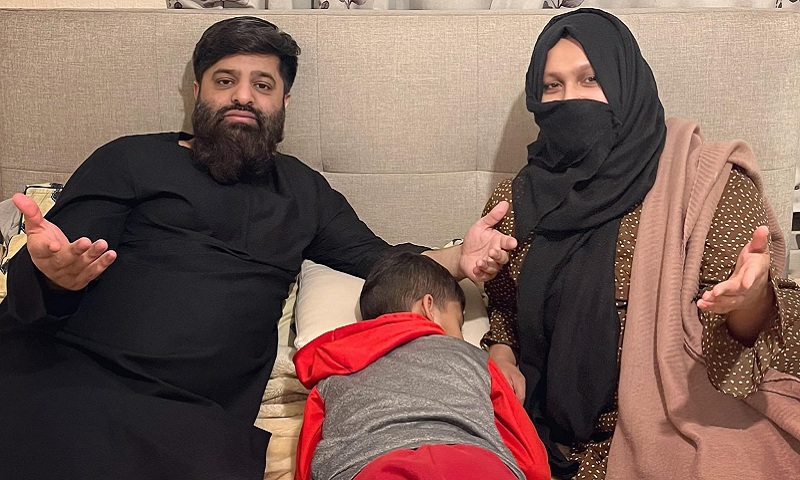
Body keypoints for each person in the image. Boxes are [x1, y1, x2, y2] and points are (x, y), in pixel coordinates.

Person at [0, 16, 516, 480]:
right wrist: (54, 274)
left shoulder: (303, 191)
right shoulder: (131, 159)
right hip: (71, 377)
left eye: (262, 85)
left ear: (283, 102)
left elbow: (379, 261)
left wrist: (459, 259)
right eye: (225, 81)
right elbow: (55, 257)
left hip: (197, 420)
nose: (243, 96)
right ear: (198, 91)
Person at [480, 8, 800, 480]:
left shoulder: (706, 185)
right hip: (543, 437)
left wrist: (751, 302)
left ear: (626, 82)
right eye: (552, 86)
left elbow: (753, 341)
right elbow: (504, 304)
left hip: (670, 423)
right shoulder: (517, 200)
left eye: (590, 79)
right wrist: (502, 354)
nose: (570, 100)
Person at [292, 251, 551, 480]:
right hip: (472, 462)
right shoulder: (473, 357)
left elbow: (308, 452)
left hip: (368, 466)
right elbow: (527, 450)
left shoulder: (333, 365)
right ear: (428, 307)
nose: (459, 337)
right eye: (458, 325)